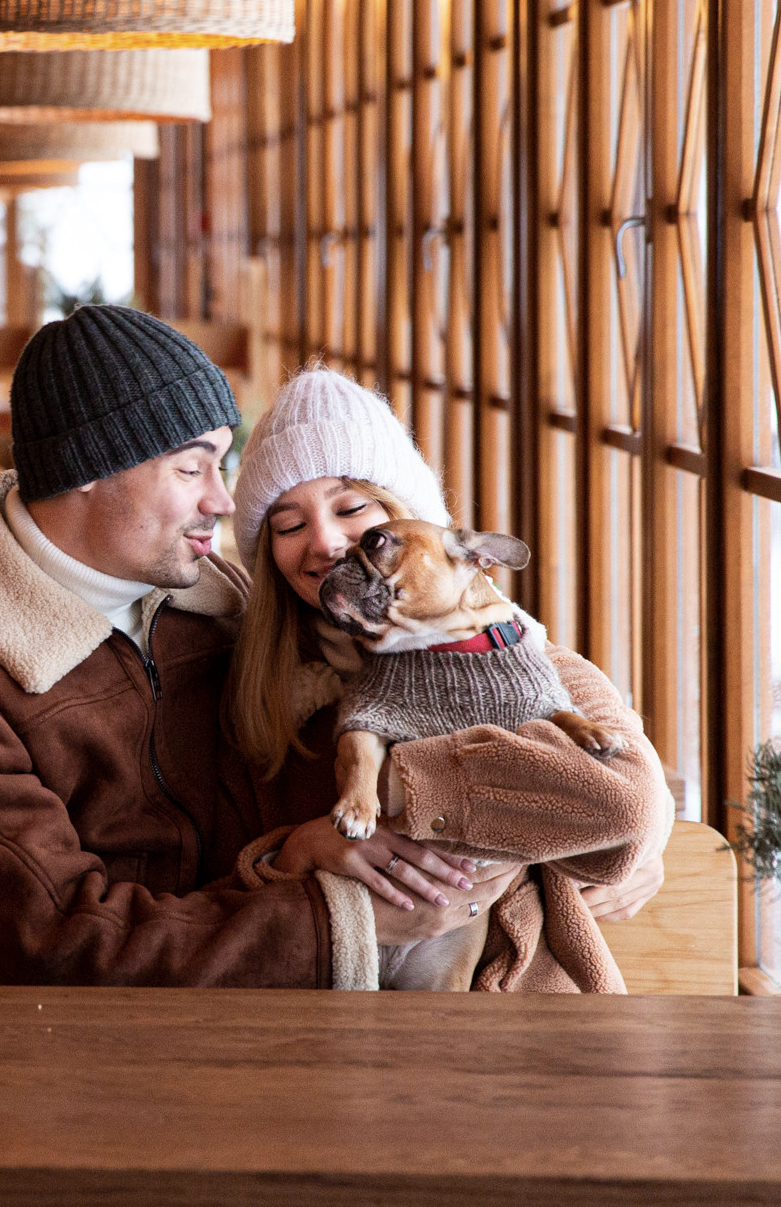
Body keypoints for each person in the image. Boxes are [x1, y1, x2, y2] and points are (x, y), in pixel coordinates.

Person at [0, 308, 494, 986]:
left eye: (222, 463)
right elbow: (60, 944)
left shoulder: (211, 604)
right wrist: (330, 918)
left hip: (215, 1021)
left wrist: (606, 840)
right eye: (192, 469)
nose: (223, 499)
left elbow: (481, 666)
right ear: (88, 467)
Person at [225, 364, 672, 991]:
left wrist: (394, 786)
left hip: (512, 1016)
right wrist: (300, 852)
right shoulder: (256, 686)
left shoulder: (518, 655)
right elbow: (216, 888)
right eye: (289, 525)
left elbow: (628, 803)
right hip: (318, 1021)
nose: (325, 543)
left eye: (354, 511)